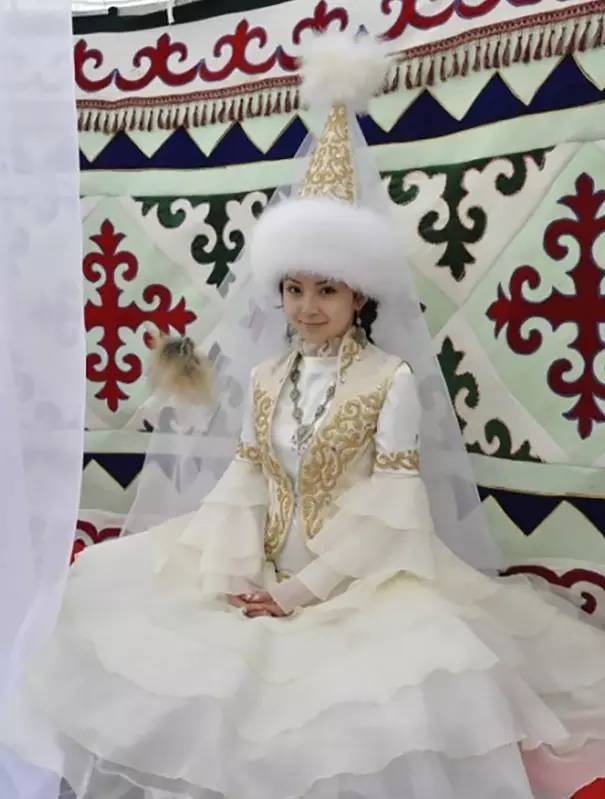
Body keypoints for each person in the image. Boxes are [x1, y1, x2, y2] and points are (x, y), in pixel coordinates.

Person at [4, 31, 605, 799]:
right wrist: (235, 567)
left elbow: (392, 508)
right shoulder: (264, 375)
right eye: (293, 288)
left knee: (376, 705)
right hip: (260, 561)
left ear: (358, 294)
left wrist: (297, 592)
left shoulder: (387, 380)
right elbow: (248, 474)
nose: (307, 307)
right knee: (124, 616)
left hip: (357, 577)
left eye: (326, 289)